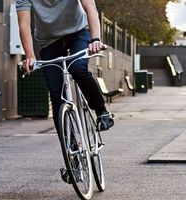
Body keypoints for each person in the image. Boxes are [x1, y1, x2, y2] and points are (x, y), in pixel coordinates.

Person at [15, 0, 114, 183]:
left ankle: (102, 112)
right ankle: (74, 162)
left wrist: (95, 39)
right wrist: (30, 56)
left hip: (78, 33)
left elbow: (90, 7)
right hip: (48, 43)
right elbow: (24, 24)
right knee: (57, 99)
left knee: (77, 68)